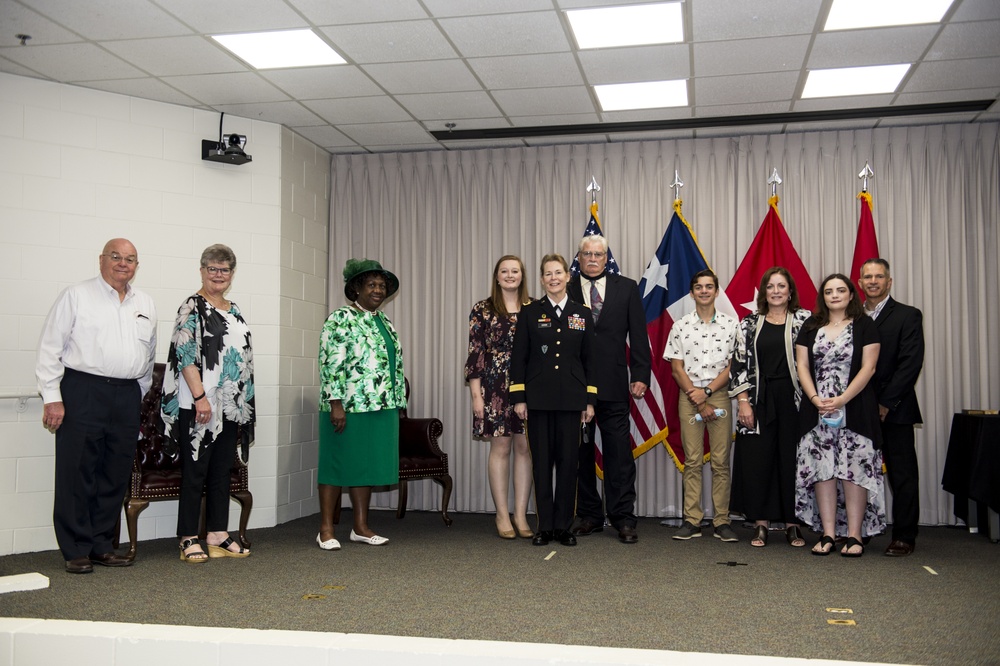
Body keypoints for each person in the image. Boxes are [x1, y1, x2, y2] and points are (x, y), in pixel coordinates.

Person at [36, 238, 157, 574]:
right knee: (77, 471)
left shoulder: (145, 302)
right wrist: (52, 397)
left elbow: (147, 358)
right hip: (83, 390)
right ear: (102, 260)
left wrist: (139, 397)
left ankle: (102, 545)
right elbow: (50, 349)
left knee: (114, 473)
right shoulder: (76, 296)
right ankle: (75, 549)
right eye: (116, 257)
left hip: (127, 395)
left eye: (130, 259)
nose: (123, 263)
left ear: (136, 265)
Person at [161, 244, 255, 563]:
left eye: (225, 270)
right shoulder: (192, 306)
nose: (218, 275)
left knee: (220, 472)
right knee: (196, 471)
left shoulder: (235, 309)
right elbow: (184, 354)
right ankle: (188, 536)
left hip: (229, 406)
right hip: (199, 404)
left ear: (232, 274)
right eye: (212, 269)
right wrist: (200, 397)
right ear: (202, 271)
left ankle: (217, 533)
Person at [567, 235, 651, 544]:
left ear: (606, 258)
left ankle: (623, 517)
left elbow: (639, 336)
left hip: (614, 384)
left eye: (597, 254)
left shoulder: (626, 288)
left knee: (618, 453)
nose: (591, 258)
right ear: (579, 257)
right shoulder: (567, 287)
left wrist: (641, 373)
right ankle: (589, 514)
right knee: (581, 453)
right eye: (586, 253)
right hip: (576, 386)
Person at [317, 258, 405, 549]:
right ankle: (326, 529)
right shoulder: (340, 318)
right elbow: (331, 362)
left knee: (364, 466)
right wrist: (336, 403)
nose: (378, 290)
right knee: (336, 464)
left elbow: (393, 365)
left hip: (380, 405)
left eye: (382, 285)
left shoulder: (384, 321)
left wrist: (398, 402)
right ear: (357, 288)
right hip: (348, 406)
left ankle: (361, 527)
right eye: (372, 284)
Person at [510, 254, 596, 547]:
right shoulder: (531, 312)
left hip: (572, 400)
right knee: (542, 465)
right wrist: (519, 398)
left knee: (569, 464)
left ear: (567, 276)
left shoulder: (582, 313)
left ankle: (563, 527)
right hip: (538, 400)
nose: (554, 278)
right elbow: (519, 357)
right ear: (542, 279)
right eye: (548, 274)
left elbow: (589, 360)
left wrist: (589, 400)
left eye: (558, 273)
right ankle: (544, 526)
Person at [795, 274, 884, 557]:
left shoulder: (865, 325)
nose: (835, 295)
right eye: (829, 291)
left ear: (850, 294)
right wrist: (815, 399)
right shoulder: (810, 326)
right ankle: (829, 533)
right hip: (817, 408)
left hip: (855, 407)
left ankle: (855, 536)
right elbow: (802, 366)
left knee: (853, 469)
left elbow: (868, 368)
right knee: (823, 469)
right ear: (823, 296)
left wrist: (843, 399)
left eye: (840, 290)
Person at [730, 267, 811, 548]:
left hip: (796, 402)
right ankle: (760, 524)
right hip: (758, 401)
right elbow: (737, 364)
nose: (776, 291)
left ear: (790, 292)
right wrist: (743, 402)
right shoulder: (749, 323)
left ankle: (793, 525)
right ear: (764, 292)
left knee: (793, 461)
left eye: (781, 286)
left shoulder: (806, 321)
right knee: (757, 462)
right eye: (770, 286)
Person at [666, 269, 739, 542]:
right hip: (689, 396)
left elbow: (733, 367)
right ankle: (692, 520)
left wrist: (707, 392)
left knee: (721, 462)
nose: (705, 291)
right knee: (693, 461)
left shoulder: (732, 325)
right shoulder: (681, 325)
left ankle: (722, 521)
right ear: (692, 292)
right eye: (699, 287)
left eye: (709, 286)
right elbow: (676, 367)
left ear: (717, 291)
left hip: (719, 396)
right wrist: (696, 396)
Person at [858, 258, 925, 557]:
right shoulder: (851, 315)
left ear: (889, 281)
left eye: (879, 276)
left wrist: (886, 403)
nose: (873, 281)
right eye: (867, 277)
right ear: (859, 282)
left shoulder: (908, 315)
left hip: (894, 409)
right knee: (858, 473)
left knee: (902, 474)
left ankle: (904, 535)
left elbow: (910, 363)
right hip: (857, 408)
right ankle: (863, 529)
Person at [465, 255, 534, 539]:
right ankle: (502, 514)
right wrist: (476, 397)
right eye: (504, 271)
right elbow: (475, 354)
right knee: (501, 449)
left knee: (525, 448)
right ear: (496, 276)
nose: (509, 275)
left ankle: (520, 514)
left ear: (522, 275)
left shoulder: (534, 307)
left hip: (528, 385)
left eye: (514, 271)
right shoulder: (482, 309)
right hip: (493, 386)